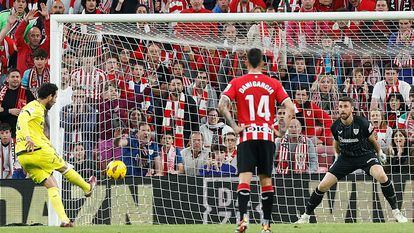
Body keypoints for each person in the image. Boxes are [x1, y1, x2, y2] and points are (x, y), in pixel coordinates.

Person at [295, 96, 407, 224]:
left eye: (345, 106)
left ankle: (396, 212)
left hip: (365, 155)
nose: (342, 109)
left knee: (382, 176)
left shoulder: (363, 123)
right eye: (340, 106)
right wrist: (337, 155)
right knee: (322, 185)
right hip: (346, 158)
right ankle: (305, 216)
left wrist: (379, 152)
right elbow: (336, 142)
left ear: (352, 109)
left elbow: (372, 140)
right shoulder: (335, 126)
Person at [219, 48, 295, 233]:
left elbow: (222, 105)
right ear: (263, 63)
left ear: (246, 63)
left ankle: (243, 220)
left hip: (247, 136)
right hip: (267, 136)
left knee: (244, 179)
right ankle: (266, 226)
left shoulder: (237, 82)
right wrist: (281, 130)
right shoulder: (273, 83)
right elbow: (290, 108)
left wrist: (235, 127)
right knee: (266, 181)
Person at [15, 83, 97, 227]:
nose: (55, 100)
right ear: (49, 96)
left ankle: (65, 220)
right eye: (55, 97)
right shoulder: (35, 107)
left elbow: (33, 128)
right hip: (38, 150)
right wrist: (28, 138)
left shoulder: (35, 109)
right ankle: (87, 187)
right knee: (64, 168)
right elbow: (22, 118)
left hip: (24, 156)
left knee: (52, 185)